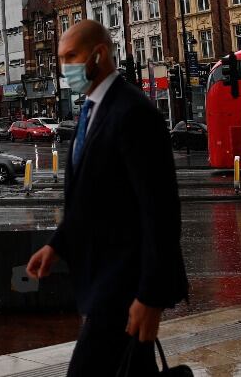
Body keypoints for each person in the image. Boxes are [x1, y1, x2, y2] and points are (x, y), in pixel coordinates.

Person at [27, 20, 187, 376]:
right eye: (61, 58)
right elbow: (91, 197)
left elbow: (160, 210)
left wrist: (150, 297)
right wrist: (57, 244)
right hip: (103, 280)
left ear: (99, 55)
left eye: (72, 57)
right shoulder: (91, 109)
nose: (64, 68)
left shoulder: (132, 111)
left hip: (125, 285)